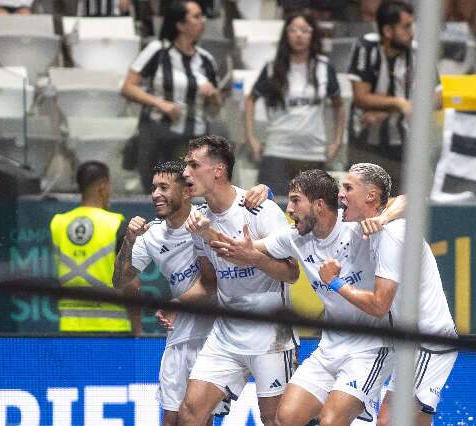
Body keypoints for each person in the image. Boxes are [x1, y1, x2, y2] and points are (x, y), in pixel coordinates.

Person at [210, 169, 405, 425]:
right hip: (330, 349)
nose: (289, 209)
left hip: (371, 348)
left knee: (331, 420)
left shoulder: (357, 227)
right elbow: (238, 249)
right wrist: (211, 232)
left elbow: (408, 200)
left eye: (295, 200)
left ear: (319, 205)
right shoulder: (294, 238)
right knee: (286, 417)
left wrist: (384, 218)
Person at [112, 160, 269, 425]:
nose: (155, 194)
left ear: (186, 191)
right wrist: (129, 240)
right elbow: (119, 281)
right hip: (180, 337)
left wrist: (265, 189)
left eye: (164, 187)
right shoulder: (152, 235)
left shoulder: (208, 217)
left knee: (196, 417)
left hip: (218, 336)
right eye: (153, 188)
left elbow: (244, 200)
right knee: (173, 420)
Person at [319, 162, 458, 426]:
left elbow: (379, 305)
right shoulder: (371, 228)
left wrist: (335, 283)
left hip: (427, 342)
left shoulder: (391, 234)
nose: (341, 194)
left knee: (387, 421)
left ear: (371, 196)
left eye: (348, 188)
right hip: (409, 343)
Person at [178, 135, 301, 425]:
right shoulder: (198, 221)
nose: (185, 173)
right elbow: (210, 281)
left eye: (194, 165)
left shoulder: (260, 209)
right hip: (226, 335)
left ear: (217, 171)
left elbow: (292, 273)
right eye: (186, 165)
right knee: (190, 413)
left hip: (271, 336)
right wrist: (177, 303)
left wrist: (253, 257)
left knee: (275, 420)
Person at [121, 0, 221, 193]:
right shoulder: (157, 51)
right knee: (159, 192)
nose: (203, 20)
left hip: (195, 140)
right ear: (180, 24)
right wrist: (159, 103)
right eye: (196, 16)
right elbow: (128, 87)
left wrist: (213, 95)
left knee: (187, 194)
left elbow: (214, 109)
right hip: (158, 135)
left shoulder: (206, 59)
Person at [245, 11, 345, 196]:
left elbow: (339, 104)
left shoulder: (324, 67)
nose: (299, 35)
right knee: (269, 209)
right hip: (277, 150)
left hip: (313, 152)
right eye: (293, 30)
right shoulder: (273, 67)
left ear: (313, 34)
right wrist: (252, 139)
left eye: (305, 30)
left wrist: (336, 142)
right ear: (286, 34)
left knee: (312, 213)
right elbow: (251, 99)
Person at [50, 161, 136, 333]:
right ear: (103, 186)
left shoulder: (58, 223)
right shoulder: (116, 224)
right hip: (112, 331)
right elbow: (131, 284)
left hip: (69, 329)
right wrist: (137, 327)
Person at [347, 0, 419, 194]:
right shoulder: (366, 47)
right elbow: (361, 97)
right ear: (387, 31)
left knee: (400, 207)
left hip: (403, 146)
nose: (411, 32)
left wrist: (386, 111)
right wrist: (399, 103)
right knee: (363, 208)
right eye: (406, 26)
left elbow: (437, 97)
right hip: (365, 145)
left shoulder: (417, 51)